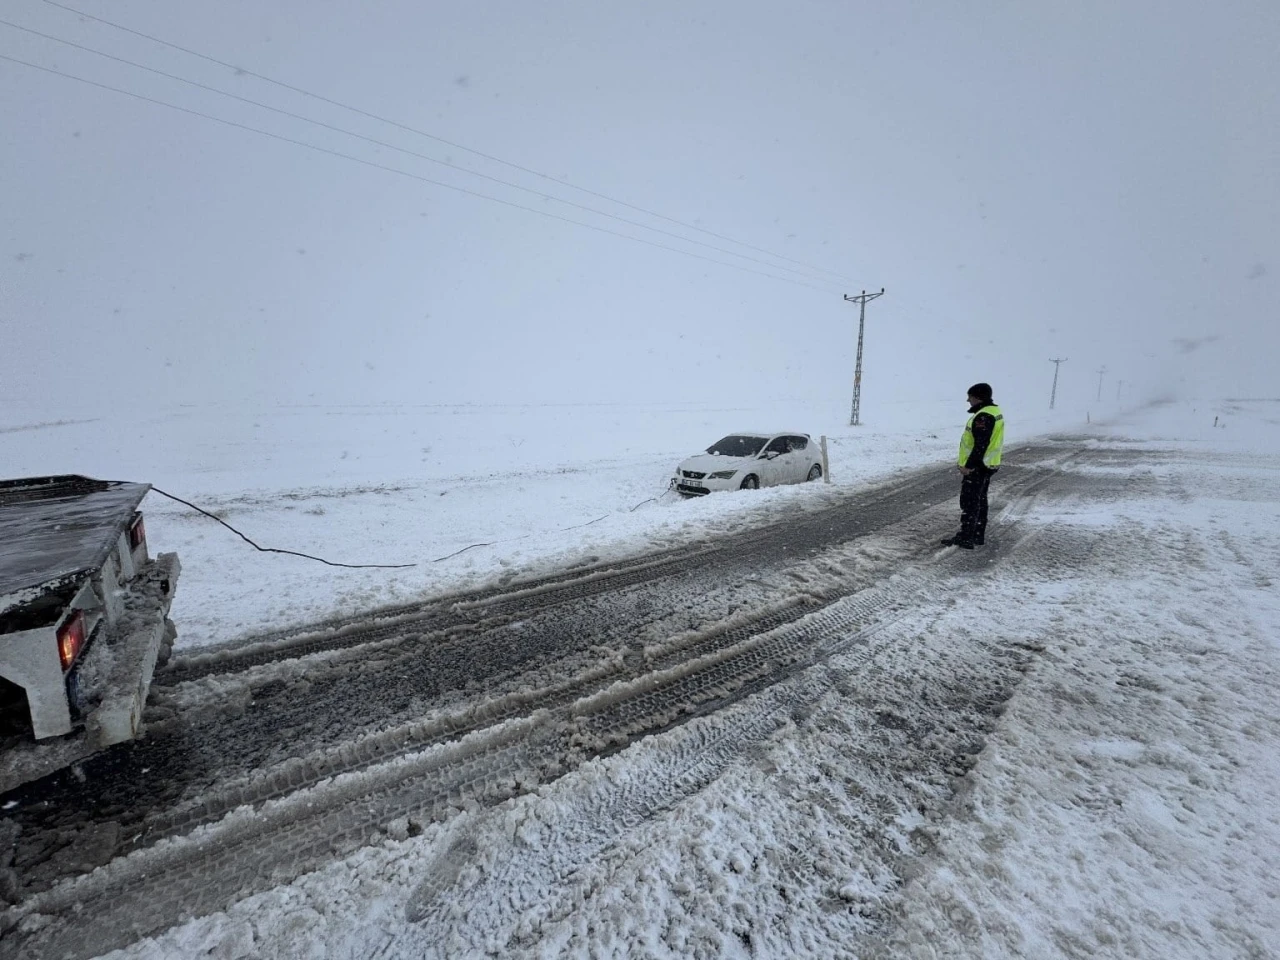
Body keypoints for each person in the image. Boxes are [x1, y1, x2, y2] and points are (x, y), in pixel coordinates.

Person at [941, 382, 1004, 549]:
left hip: (978, 466)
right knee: (980, 500)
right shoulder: (993, 412)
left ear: (979, 398)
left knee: (970, 501)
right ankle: (976, 534)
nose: (968, 400)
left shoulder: (983, 417)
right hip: (988, 464)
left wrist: (969, 466)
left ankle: (966, 536)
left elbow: (980, 444)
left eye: (970, 396)